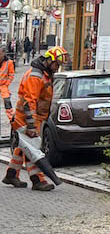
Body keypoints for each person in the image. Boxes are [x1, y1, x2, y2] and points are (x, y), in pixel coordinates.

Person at [5, 47, 66, 191]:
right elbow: (29, 102)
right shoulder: (36, 76)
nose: (57, 68)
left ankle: (11, 174)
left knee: (23, 147)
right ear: (49, 61)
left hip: (30, 118)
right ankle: (38, 180)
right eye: (57, 64)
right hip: (26, 119)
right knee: (33, 149)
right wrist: (31, 125)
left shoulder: (44, 74)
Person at [0, 47, 13, 138]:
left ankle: (12, 120)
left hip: (3, 85)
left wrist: (7, 84)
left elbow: (11, 75)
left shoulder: (9, 63)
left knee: (7, 102)